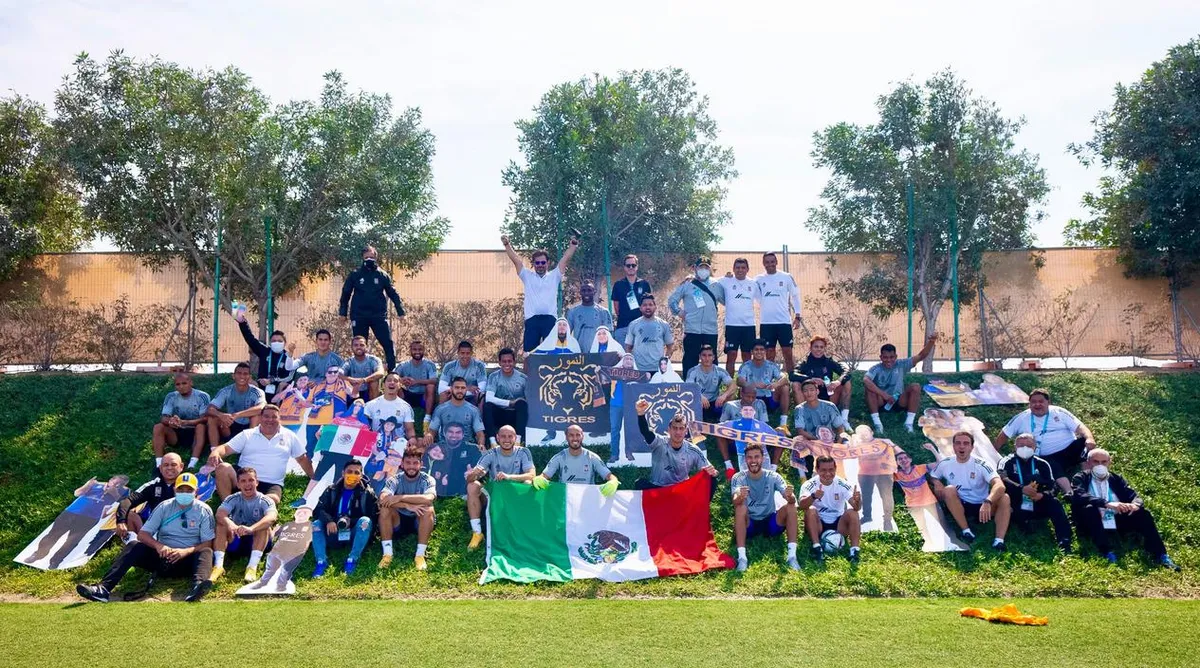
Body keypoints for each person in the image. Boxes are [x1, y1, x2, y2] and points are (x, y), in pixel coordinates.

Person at [76, 473, 214, 604]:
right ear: (174, 490)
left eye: (188, 490)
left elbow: (208, 542)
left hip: (187, 560)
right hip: (162, 558)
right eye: (181, 489)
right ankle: (103, 589)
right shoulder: (164, 507)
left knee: (206, 551)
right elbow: (143, 534)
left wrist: (186, 551)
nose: (184, 493)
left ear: (196, 491)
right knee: (135, 545)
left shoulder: (204, 510)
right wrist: (159, 546)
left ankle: (198, 588)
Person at [1071, 449, 1179, 569]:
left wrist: (1135, 505)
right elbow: (1080, 495)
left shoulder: (1116, 478)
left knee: (1143, 513)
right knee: (1089, 509)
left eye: (1104, 462)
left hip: (1117, 517)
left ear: (1109, 463)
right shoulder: (1080, 477)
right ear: (1089, 462)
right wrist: (1107, 504)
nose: (1100, 465)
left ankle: (1160, 555)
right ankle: (1106, 551)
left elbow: (1134, 495)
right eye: (1096, 462)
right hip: (1093, 520)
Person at [995, 388, 1098, 495]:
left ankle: (1088, 479)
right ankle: (1069, 492)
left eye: (1041, 401)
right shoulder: (1021, 418)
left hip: (1069, 448)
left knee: (1084, 444)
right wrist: (994, 450)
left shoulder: (1059, 412)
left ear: (1048, 402)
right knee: (1051, 465)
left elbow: (1080, 427)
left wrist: (1090, 438)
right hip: (1048, 456)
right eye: (1033, 402)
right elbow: (1004, 434)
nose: (1037, 404)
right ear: (1029, 404)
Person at [207, 404, 313, 505]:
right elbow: (225, 448)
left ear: (279, 419)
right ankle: (228, 506)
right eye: (266, 416)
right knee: (222, 468)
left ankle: (249, 504)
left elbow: (302, 459)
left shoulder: (290, 436)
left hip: (270, 483)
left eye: (274, 417)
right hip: (243, 478)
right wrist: (216, 452)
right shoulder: (247, 434)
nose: (270, 420)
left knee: (272, 500)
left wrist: (314, 477)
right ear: (260, 418)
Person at [929, 431, 1011, 550]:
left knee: (1005, 498)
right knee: (949, 490)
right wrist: (937, 483)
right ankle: (966, 531)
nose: (962, 446)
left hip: (982, 506)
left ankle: (999, 541)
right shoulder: (946, 463)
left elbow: (999, 485)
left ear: (972, 447)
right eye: (958, 443)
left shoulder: (981, 464)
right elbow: (933, 476)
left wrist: (988, 501)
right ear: (953, 446)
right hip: (960, 504)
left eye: (966, 443)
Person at [27, 475, 128, 569]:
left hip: (89, 518)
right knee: (52, 535)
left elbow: (122, 502)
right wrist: (87, 485)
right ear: (110, 480)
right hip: (70, 513)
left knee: (72, 541)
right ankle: (38, 554)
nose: (115, 486)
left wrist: (113, 492)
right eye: (115, 483)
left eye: (119, 485)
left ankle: (55, 561)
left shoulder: (121, 493)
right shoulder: (95, 485)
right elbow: (77, 493)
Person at [503, 233, 579, 353]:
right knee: (529, 354)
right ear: (533, 264)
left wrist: (573, 245)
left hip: (550, 320)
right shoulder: (527, 276)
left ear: (548, 263)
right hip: (532, 320)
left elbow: (565, 259)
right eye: (537, 263)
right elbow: (516, 261)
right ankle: (529, 373)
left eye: (543, 263)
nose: (540, 266)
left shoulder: (554, 275)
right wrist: (507, 244)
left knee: (551, 353)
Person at [997, 433, 1072, 553]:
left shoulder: (1042, 463)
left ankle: (1065, 540)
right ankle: (1023, 526)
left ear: (1035, 448)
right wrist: (1021, 488)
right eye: (1021, 445)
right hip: (1016, 502)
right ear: (1015, 447)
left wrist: (1041, 495)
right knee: (1008, 504)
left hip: (1037, 500)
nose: (1025, 448)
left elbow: (1053, 487)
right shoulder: (1006, 461)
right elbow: (1001, 478)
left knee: (1055, 503)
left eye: (1029, 445)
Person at [465, 425, 536, 549]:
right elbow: (474, 475)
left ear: (515, 438)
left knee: (528, 484)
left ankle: (522, 530)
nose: (506, 440)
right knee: (472, 486)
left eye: (510, 436)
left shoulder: (524, 451)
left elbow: (532, 475)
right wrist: (473, 474)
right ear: (497, 438)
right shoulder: (491, 453)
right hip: (495, 496)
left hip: (515, 495)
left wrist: (509, 477)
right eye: (503, 436)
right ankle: (477, 533)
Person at [731, 443, 799, 571]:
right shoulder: (738, 477)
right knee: (740, 508)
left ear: (762, 459)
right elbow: (735, 501)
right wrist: (740, 497)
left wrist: (790, 497)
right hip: (749, 523)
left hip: (770, 522)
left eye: (756, 457)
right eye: (750, 457)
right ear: (745, 460)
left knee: (790, 506)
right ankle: (742, 558)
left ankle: (792, 557)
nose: (753, 461)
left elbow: (791, 498)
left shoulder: (773, 476)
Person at [338, 245, 406, 371]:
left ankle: (392, 373)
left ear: (376, 258)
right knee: (359, 345)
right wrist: (342, 313)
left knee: (388, 344)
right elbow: (346, 293)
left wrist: (401, 312)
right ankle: (358, 373)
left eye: (372, 257)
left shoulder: (382, 275)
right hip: (359, 315)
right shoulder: (355, 274)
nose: (369, 259)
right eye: (366, 257)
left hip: (378, 316)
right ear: (362, 258)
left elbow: (393, 293)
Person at [312, 459, 379, 576]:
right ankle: (321, 562)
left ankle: (352, 559)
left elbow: (373, 517)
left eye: (357, 473)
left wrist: (351, 521)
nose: (352, 475)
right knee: (316, 524)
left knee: (365, 521)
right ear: (343, 473)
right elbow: (318, 510)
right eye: (349, 471)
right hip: (333, 532)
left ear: (361, 476)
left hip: (354, 534)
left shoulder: (367, 493)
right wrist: (329, 521)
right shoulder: (331, 490)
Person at [211, 467, 278, 583]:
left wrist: (251, 529)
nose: (248, 484)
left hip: (258, 541)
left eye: (251, 480)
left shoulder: (265, 500)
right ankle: (218, 566)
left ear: (257, 482)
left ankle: (252, 567)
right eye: (243, 481)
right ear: (238, 484)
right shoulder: (232, 498)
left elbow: (272, 517)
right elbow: (220, 514)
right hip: (237, 539)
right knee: (221, 524)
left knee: (265, 526)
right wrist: (233, 526)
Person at [634, 399, 718, 491]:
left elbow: (711, 470)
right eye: (675, 428)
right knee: (639, 483)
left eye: (681, 428)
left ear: (686, 431)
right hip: (658, 489)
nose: (678, 432)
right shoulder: (659, 443)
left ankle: (701, 505)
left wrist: (713, 472)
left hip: (681, 490)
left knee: (712, 480)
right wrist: (641, 414)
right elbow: (646, 432)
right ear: (669, 430)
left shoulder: (693, 449)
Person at [377, 446, 437, 571]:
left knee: (429, 509)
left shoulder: (428, 479)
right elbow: (382, 499)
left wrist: (399, 497)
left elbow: (429, 498)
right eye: (408, 463)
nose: (411, 466)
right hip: (398, 519)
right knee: (384, 509)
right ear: (402, 464)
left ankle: (420, 555)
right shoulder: (394, 479)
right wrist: (406, 505)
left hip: (418, 519)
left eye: (415, 463)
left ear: (421, 464)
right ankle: (387, 554)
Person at [863, 336, 936, 434]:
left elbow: (921, 356)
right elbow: (866, 380)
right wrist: (884, 395)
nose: (888, 360)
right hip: (881, 401)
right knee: (869, 388)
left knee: (916, 386)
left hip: (898, 400)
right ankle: (877, 423)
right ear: (881, 357)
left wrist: (931, 342)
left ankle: (908, 423)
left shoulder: (901, 364)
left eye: (891, 357)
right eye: (885, 357)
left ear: (896, 357)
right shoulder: (876, 368)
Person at [799, 456, 862, 564]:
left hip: (839, 524)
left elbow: (856, 507)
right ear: (817, 470)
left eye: (831, 470)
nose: (828, 474)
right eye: (823, 470)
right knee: (810, 510)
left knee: (853, 513)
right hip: (818, 524)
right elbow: (802, 505)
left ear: (835, 469)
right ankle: (817, 548)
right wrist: (813, 496)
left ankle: (854, 551)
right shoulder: (810, 484)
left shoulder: (842, 484)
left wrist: (858, 500)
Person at [669, 257, 725, 379]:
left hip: (710, 330)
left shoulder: (716, 285)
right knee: (690, 360)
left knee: (711, 361)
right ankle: (688, 389)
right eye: (701, 267)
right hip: (692, 330)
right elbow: (672, 300)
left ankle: (712, 390)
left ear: (710, 269)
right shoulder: (687, 284)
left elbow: (728, 301)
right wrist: (679, 312)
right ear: (695, 268)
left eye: (706, 267)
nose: (703, 270)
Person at [115, 454, 183, 545]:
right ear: (160, 468)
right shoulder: (153, 485)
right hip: (153, 528)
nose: (169, 468)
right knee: (129, 515)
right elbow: (127, 501)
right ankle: (133, 544)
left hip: (177, 530)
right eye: (166, 465)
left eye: (173, 464)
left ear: (181, 466)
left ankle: (142, 546)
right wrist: (121, 521)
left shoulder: (188, 484)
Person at [754, 252, 804, 372]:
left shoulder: (786, 277)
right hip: (766, 323)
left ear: (776, 262)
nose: (770, 264)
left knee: (788, 352)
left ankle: (791, 380)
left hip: (783, 322)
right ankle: (770, 381)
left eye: (772, 261)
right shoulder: (758, 279)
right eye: (767, 262)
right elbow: (746, 286)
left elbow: (796, 296)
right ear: (763, 263)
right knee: (769, 353)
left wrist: (798, 316)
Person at [533, 425, 619, 493]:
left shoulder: (592, 457)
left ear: (582, 437)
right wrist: (539, 478)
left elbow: (609, 476)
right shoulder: (559, 457)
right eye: (571, 435)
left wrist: (614, 481)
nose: (575, 438)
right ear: (566, 437)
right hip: (566, 500)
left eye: (578, 435)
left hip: (587, 500)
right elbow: (544, 476)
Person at [234, 311, 295, 403]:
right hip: (261, 388)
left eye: (279, 341)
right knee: (250, 384)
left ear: (284, 343)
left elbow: (289, 378)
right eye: (274, 341)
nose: (276, 343)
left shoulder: (288, 357)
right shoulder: (264, 351)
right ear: (270, 342)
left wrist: (271, 381)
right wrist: (242, 323)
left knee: (284, 387)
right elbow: (250, 339)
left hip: (279, 390)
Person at [790, 336, 852, 425]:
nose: (819, 349)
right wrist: (810, 379)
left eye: (821, 347)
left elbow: (846, 371)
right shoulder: (805, 362)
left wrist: (837, 382)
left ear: (824, 348)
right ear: (810, 348)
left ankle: (844, 420)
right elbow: (792, 374)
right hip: (810, 397)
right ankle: (804, 417)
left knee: (847, 382)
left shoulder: (829, 361)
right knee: (795, 384)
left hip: (828, 396)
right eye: (816, 346)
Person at [155, 372, 210, 470]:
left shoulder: (202, 396)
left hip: (196, 433)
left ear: (191, 383)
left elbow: (205, 418)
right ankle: (158, 464)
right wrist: (171, 421)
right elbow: (164, 417)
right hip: (177, 431)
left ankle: (192, 464)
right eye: (178, 384)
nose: (181, 386)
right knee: (158, 427)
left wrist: (185, 422)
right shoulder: (171, 396)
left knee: (201, 426)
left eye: (184, 383)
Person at [716, 383, 772, 476]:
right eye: (748, 396)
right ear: (741, 394)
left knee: (780, 433)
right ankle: (729, 466)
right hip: (735, 441)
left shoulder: (760, 404)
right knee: (718, 433)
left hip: (756, 442)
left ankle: (772, 468)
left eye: (753, 397)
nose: (750, 400)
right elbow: (721, 425)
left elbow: (764, 426)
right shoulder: (730, 405)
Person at [206, 363, 267, 446]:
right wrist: (221, 415)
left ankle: (250, 445)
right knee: (212, 418)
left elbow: (261, 408)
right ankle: (214, 451)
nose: (242, 376)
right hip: (230, 424)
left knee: (257, 416)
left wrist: (237, 415)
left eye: (245, 374)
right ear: (233, 376)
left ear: (249, 377)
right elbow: (210, 408)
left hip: (249, 425)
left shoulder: (257, 392)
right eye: (239, 373)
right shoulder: (226, 391)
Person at [718, 257, 759, 377]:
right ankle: (729, 385)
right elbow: (709, 281)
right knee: (731, 355)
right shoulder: (725, 281)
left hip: (748, 326)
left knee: (747, 356)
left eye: (743, 268)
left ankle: (746, 386)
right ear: (733, 269)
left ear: (747, 269)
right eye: (737, 268)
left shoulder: (753, 284)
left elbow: (763, 300)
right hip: (732, 326)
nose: (740, 270)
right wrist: (690, 278)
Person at [737, 340, 790, 432]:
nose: (759, 352)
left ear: (765, 351)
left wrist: (775, 384)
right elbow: (739, 380)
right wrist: (752, 385)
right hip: (752, 398)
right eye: (756, 349)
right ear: (752, 352)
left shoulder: (771, 365)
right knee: (742, 389)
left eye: (762, 349)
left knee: (784, 387)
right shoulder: (746, 365)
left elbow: (785, 378)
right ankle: (744, 419)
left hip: (768, 397)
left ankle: (783, 423)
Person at [425, 377, 486, 449]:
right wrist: (429, 435)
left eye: (463, 388)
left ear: (466, 389)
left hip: (467, 448)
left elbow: (480, 434)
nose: (460, 390)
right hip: (445, 448)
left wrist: (481, 444)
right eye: (457, 387)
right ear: (451, 389)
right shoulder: (440, 409)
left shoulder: (474, 410)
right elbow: (432, 431)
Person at [483, 348, 528, 444]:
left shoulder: (523, 378)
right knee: (487, 406)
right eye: (504, 361)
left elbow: (529, 400)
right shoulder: (493, 376)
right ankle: (492, 442)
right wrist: (510, 403)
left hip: (515, 415)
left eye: (509, 361)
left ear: (514, 362)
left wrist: (516, 403)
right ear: (499, 363)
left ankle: (519, 441)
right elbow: (489, 398)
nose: (507, 364)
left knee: (522, 403)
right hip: (500, 413)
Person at [624, 293, 674, 373]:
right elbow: (628, 347)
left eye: (650, 305)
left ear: (655, 307)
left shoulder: (664, 325)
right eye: (645, 305)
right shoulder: (633, 324)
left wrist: (664, 363)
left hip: (657, 369)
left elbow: (670, 347)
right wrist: (631, 365)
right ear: (640, 308)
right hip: (639, 369)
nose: (648, 307)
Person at [685, 344, 736, 422]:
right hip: (698, 401)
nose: (707, 358)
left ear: (713, 357)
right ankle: (693, 420)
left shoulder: (719, 371)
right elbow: (688, 387)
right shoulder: (693, 371)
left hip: (714, 402)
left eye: (709, 355)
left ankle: (723, 418)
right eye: (704, 355)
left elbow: (733, 385)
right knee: (689, 396)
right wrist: (699, 396)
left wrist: (724, 396)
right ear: (700, 357)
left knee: (731, 394)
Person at [610, 254, 652, 348]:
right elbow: (617, 308)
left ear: (637, 267)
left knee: (641, 357)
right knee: (624, 358)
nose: (631, 267)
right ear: (624, 267)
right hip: (623, 327)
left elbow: (649, 305)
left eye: (633, 265)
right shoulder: (618, 285)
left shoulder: (644, 284)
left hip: (642, 327)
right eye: (628, 265)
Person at [363, 373, 418, 443]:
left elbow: (410, 430)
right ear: (383, 385)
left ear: (400, 385)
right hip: (376, 445)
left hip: (397, 447)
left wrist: (412, 439)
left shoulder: (405, 407)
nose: (392, 383)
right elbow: (361, 425)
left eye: (395, 381)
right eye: (389, 380)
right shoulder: (371, 405)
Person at [394, 340, 439, 424]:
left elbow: (434, 380)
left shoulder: (430, 364)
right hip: (408, 394)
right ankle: (398, 414)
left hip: (423, 396)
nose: (417, 352)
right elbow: (391, 377)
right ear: (410, 351)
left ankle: (427, 418)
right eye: (415, 349)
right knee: (395, 384)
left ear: (424, 350)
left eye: (420, 349)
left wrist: (416, 382)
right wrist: (402, 380)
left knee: (431, 386)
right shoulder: (404, 365)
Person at [566, 279, 614, 353]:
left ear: (594, 291)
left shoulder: (603, 312)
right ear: (580, 292)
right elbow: (566, 334)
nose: (586, 293)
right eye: (583, 290)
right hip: (579, 354)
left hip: (598, 353)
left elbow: (609, 335)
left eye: (589, 290)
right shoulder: (573, 312)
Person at [439, 340, 488, 404]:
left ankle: (479, 414)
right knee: (443, 394)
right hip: (454, 396)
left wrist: (458, 390)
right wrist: (466, 388)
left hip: (471, 396)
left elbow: (482, 388)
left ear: (471, 353)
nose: (465, 356)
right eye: (462, 353)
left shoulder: (479, 366)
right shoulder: (449, 366)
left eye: (468, 353)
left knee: (480, 395)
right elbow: (441, 388)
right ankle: (440, 414)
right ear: (458, 353)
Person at [342, 335, 384, 403]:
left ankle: (373, 409)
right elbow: (339, 374)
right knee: (341, 382)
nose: (359, 347)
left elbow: (381, 372)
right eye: (356, 345)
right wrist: (351, 379)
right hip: (352, 392)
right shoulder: (348, 362)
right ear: (352, 348)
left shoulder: (373, 360)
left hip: (368, 393)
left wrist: (364, 380)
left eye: (361, 345)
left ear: (366, 347)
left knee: (374, 382)